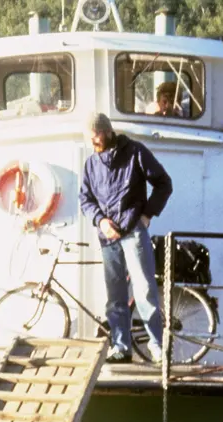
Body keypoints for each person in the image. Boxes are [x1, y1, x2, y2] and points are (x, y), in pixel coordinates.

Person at [78, 112, 173, 364]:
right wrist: (100, 220)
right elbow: (85, 199)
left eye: (95, 136)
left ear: (107, 131)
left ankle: (157, 346)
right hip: (107, 238)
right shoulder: (91, 164)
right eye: (89, 138)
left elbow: (164, 183)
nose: (92, 142)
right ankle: (121, 347)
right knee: (115, 296)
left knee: (145, 292)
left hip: (134, 232)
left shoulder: (135, 152)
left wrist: (147, 215)